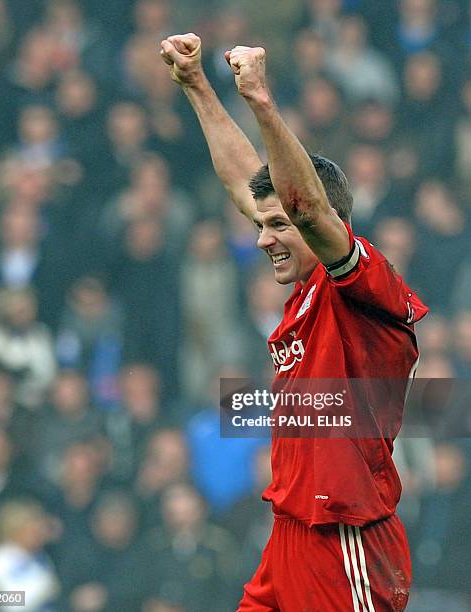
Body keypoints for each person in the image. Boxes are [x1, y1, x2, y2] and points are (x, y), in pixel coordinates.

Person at [160, 33, 429, 612]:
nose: (262, 240)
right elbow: (245, 186)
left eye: (277, 227)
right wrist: (198, 87)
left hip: (346, 539)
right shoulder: (305, 285)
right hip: (289, 534)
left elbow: (304, 208)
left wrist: (259, 98)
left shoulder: (365, 285)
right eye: (262, 227)